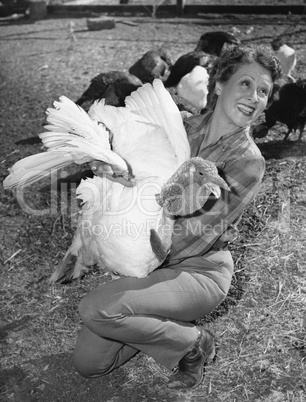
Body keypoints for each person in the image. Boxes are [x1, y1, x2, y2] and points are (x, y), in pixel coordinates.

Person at [72, 44, 282, 390]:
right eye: (245, 84)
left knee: (97, 309)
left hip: (197, 268)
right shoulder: (177, 126)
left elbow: (194, 233)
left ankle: (194, 342)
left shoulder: (248, 161)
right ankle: (159, 320)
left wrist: (123, 247)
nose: (254, 97)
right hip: (147, 252)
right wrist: (109, 170)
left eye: (263, 91)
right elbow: (126, 184)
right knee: (90, 364)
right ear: (218, 85)